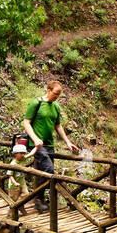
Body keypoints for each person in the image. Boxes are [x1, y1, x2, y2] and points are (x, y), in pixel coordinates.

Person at [22, 80, 75, 213]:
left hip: (49, 144)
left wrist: (67, 142)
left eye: (59, 95)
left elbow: (58, 126)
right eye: (55, 94)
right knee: (49, 170)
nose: (56, 97)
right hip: (36, 145)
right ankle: (38, 199)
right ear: (48, 90)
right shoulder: (36, 103)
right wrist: (35, 139)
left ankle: (42, 200)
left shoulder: (56, 106)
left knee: (45, 172)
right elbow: (26, 123)